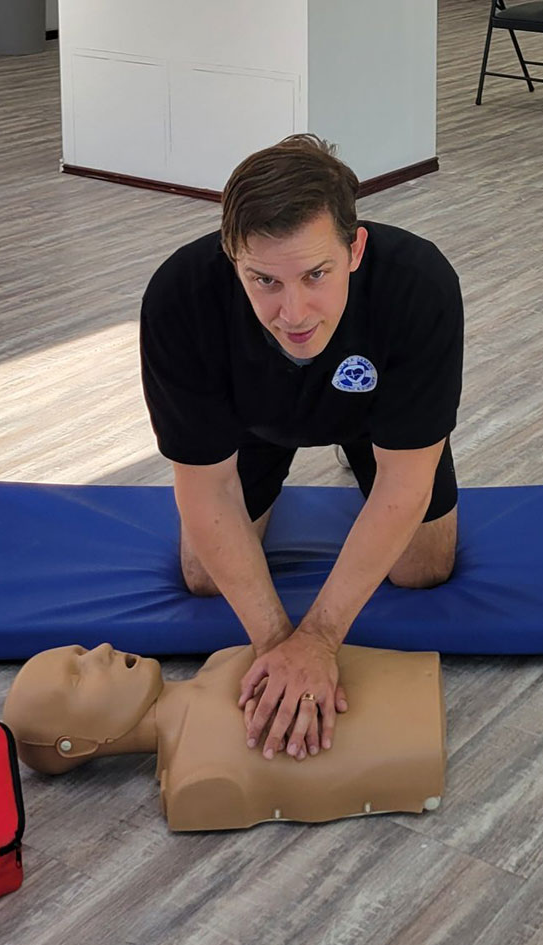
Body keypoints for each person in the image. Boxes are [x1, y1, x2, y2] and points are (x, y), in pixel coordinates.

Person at [139, 134, 463, 764]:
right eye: (264, 280)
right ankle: (278, 471)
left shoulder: (418, 285)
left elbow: (405, 481)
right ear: (232, 256)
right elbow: (204, 484)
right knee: (204, 580)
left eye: (317, 274)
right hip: (253, 422)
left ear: (355, 248)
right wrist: (274, 644)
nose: (293, 311)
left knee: (424, 569)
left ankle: (348, 454)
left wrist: (318, 638)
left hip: (375, 416)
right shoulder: (181, 298)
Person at [1, 642, 446, 830]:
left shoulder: (218, 663)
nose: (100, 651)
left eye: (81, 651)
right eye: (78, 676)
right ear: (74, 745)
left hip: (418, 675)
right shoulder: (196, 781)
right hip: (421, 751)